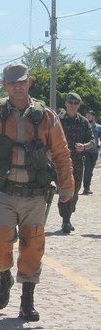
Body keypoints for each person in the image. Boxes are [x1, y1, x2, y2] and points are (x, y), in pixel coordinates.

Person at [0, 62, 73, 321]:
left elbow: (61, 152)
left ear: (30, 82)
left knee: (33, 246)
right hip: (4, 193)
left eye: (22, 81)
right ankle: (4, 277)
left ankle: (27, 301)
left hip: (36, 194)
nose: (18, 86)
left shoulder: (47, 117)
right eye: (12, 82)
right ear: (4, 85)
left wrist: (67, 184)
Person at [58, 92, 93, 233]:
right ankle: (65, 220)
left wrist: (84, 146)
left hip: (77, 162)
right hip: (60, 161)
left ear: (79, 105)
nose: (73, 106)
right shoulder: (57, 119)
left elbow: (92, 141)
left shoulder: (84, 122)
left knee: (75, 190)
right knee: (64, 189)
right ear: (66, 103)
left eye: (76, 103)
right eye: (70, 102)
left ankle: (68, 214)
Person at [83, 110, 101, 195]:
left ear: (93, 116)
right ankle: (86, 188)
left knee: (90, 170)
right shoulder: (85, 126)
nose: (87, 117)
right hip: (86, 151)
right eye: (87, 115)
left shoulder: (98, 127)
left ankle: (87, 186)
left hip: (94, 152)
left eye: (89, 115)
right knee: (87, 169)